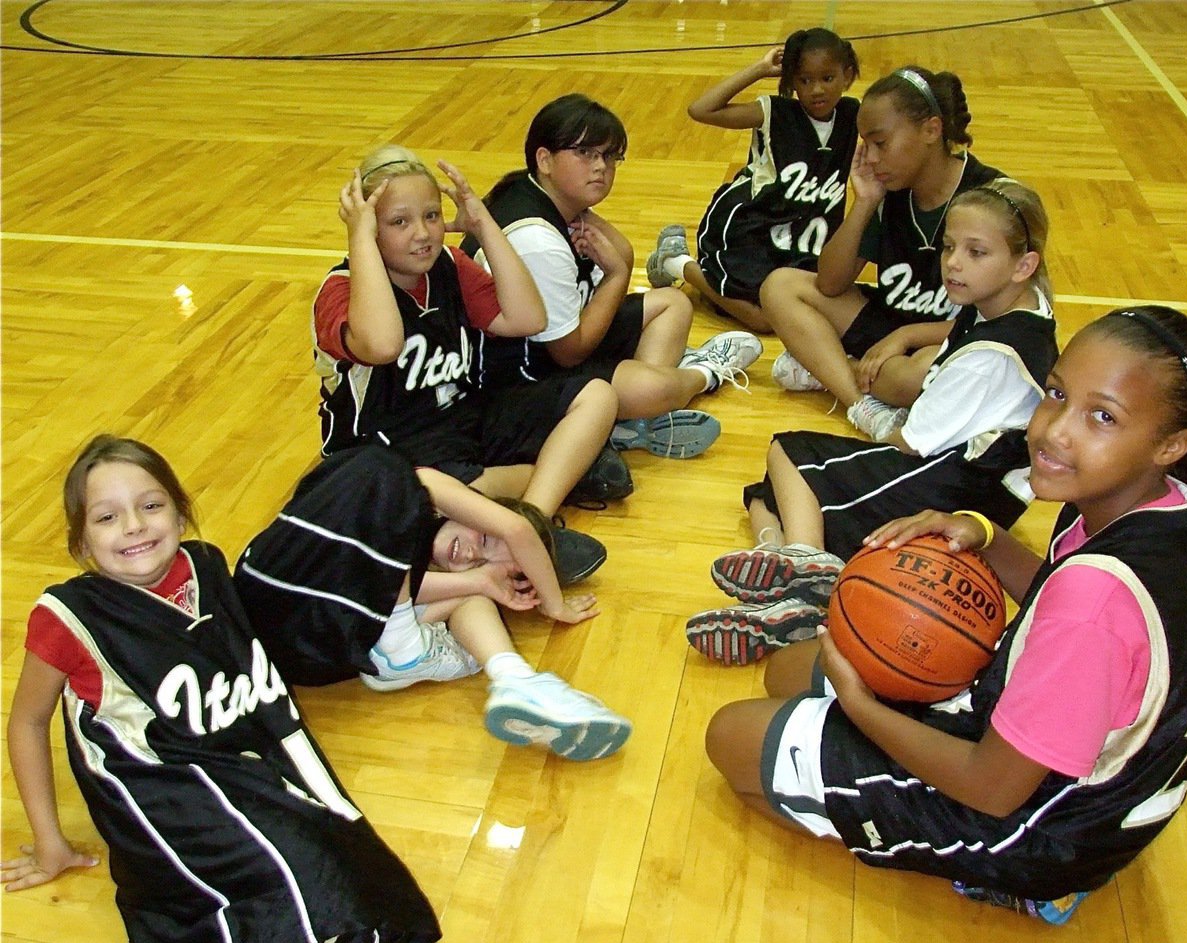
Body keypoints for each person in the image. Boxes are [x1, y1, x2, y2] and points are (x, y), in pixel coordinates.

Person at [3, 436, 442, 943]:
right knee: (312, 897)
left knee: (369, 880)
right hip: (156, 798)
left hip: (229, 770)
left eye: (150, 506)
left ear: (180, 509)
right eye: (108, 518)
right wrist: (50, 841)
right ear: (80, 540)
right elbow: (24, 722)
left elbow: (248, 682)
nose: (135, 526)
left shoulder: (204, 566)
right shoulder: (66, 615)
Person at [703, 305, 1187, 924]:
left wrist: (865, 709)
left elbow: (991, 787)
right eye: (1056, 394)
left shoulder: (1094, 602)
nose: (1054, 432)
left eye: (1102, 417)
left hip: (1037, 827)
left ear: (1172, 443)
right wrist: (983, 535)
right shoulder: (1160, 503)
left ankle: (1012, 884)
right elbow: (1061, 600)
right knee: (789, 670)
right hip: (1093, 773)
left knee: (730, 738)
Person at [688, 179, 1057, 662]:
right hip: (964, 479)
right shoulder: (1013, 305)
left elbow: (907, 440)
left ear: (1022, 265)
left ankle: (805, 571)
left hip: (952, 490)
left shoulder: (990, 358)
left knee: (790, 451)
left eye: (976, 252)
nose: (954, 262)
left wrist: (869, 413)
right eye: (949, 247)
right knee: (766, 494)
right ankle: (787, 587)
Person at [313, 146, 612, 584]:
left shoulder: (450, 264)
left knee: (598, 394)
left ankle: (530, 520)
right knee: (427, 508)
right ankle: (548, 486)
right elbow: (382, 344)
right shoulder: (339, 291)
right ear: (367, 228)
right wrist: (357, 240)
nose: (422, 234)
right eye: (399, 222)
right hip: (394, 455)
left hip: (465, 424)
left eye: (431, 216)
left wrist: (484, 224)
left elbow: (529, 318)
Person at [234, 442, 631, 761]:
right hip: (266, 604)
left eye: (488, 562)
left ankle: (515, 679)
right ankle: (420, 652)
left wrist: (481, 582)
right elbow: (516, 527)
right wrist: (553, 604)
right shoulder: (413, 492)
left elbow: (377, 588)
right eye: (487, 539)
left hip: (311, 653)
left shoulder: (408, 559)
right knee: (382, 469)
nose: (472, 554)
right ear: (481, 509)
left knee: (463, 587)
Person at [460, 93, 763, 462]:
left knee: (672, 304)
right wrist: (617, 277)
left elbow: (624, 252)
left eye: (608, 156)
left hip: (559, 341)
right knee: (655, 387)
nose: (600, 167)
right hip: (522, 381)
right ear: (544, 159)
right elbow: (569, 352)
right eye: (585, 153)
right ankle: (706, 372)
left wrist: (601, 238)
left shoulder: (547, 194)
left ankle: (625, 426)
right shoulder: (537, 240)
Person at [760, 65, 1002, 421]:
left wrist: (906, 335)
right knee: (779, 285)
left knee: (918, 379)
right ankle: (863, 407)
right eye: (866, 146)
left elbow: (1008, 320)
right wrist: (864, 203)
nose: (871, 158)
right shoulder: (889, 189)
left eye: (881, 143)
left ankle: (828, 368)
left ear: (931, 130)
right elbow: (830, 283)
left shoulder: (992, 199)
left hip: (953, 336)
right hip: (891, 324)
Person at [646, 28, 860, 334]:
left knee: (814, 307)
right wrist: (760, 69)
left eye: (827, 78)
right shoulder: (774, 112)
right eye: (804, 80)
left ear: (847, 76)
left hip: (802, 236)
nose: (816, 90)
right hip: (751, 227)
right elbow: (701, 110)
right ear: (791, 81)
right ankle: (678, 263)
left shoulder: (855, 115)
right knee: (766, 319)